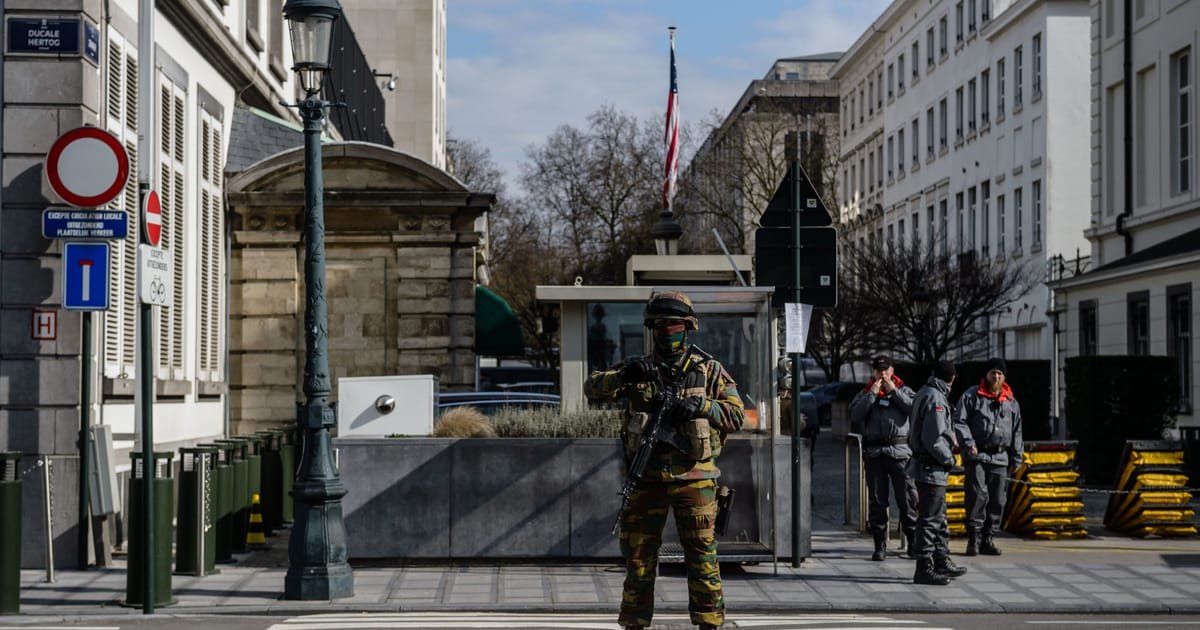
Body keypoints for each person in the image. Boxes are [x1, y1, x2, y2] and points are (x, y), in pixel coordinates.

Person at [584, 290, 745, 630]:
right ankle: (634, 622)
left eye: (674, 326)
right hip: (646, 480)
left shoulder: (709, 370)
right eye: (659, 326)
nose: (666, 332)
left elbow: (736, 415)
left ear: (688, 328)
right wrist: (624, 376)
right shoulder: (638, 368)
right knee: (639, 560)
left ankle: (709, 622)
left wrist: (704, 407)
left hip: (695, 479)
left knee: (702, 556)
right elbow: (593, 388)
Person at [953, 357, 1024, 556]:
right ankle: (973, 539)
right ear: (986, 374)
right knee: (976, 496)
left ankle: (988, 538)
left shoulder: (1011, 402)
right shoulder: (971, 396)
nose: (996, 376)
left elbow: (1017, 431)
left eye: (1000, 374)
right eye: (993, 372)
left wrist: (1016, 458)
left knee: (997, 500)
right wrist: (968, 444)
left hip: (1000, 458)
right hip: (977, 456)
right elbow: (959, 421)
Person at [849, 355, 917, 561]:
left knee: (906, 499)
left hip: (900, 453)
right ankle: (880, 544)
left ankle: (913, 542)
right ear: (874, 372)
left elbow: (912, 408)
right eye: (879, 371)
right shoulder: (865, 392)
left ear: (892, 371)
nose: (883, 374)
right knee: (878, 501)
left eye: (886, 370)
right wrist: (872, 394)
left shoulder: (904, 390)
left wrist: (893, 392)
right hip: (875, 453)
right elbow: (855, 415)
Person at [907, 360, 969, 585]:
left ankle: (941, 559)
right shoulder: (935, 398)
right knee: (931, 519)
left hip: (928, 466)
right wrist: (950, 459)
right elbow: (934, 440)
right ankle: (924, 567)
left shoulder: (927, 392)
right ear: (952, 379)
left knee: (939, 517)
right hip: (931, 467)